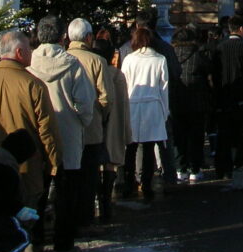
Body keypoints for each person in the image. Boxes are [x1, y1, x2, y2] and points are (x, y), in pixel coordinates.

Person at [0, 29, 61, 252]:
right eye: (29, 48)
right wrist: (53, 164)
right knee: (22, 225)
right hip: (26, 167)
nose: (31, 52)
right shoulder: (33, 85)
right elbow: (47, 131)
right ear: (19, 52)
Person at [27, 16, 94, 252]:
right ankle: (63, 244)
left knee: (37, 189)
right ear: (62, 37)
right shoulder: (72, 64)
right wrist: (80, 121)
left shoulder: (29, 62)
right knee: (67, 192)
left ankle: (34, 241)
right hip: (68, 132)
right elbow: (85, 103)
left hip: (38, 133)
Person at [65, 18, 109, 229]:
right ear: (89, 37)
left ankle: (68, 217)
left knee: (68, 177)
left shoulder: (62, 58)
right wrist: (99, 115)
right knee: (89, 176)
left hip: (65, 127)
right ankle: (86, 219)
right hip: (91, 129)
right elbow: (105, 97)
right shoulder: (97, 61)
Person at [120, 26, 169, 201]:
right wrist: (165, 111)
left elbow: (124, 85)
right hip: (153, 106)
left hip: (132, 105)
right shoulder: (159, 59)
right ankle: (147, 184)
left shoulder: (129, 59)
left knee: (130, 148)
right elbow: (164, 88)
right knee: (149, 148)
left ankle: (129, 183)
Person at [211, 15, 243, 179]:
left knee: (223, 134)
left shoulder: (219, 47)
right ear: (242, 29)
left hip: (223, 96)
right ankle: (240, 164)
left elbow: (215, 74)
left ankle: (223, 168)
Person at [91, 37, 129, 221]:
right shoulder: (117, 75)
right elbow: (123, 105)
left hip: (95, 123)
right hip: (114, 123)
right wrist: (126, 132)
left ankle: (98, 198)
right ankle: (106, 201)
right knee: (110, 162)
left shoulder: (91, 70)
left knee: (95, 163)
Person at [170, 25, 213, 182]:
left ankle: (180, 168)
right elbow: (210, 76)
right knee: (196, 137)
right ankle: (195, 168)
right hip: (197, 101)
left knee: (178, 137)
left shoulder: (171, 55)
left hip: (176, 101)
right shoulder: (199, 55)